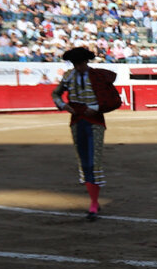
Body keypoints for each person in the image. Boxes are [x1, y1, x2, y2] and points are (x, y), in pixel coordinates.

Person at [51, 47, 121, 221]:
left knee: (94, 161)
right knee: (84, 161)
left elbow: (113, 100)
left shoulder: (98, 76)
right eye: (75, 64)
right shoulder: (69, 75)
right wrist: (63, 105)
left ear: (86, 62)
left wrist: (96, 108)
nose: (78, 67)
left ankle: (94, 204)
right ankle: (93, 202)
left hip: (95, 122)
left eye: (80, 63)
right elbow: (56, 93)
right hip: (76, 121)